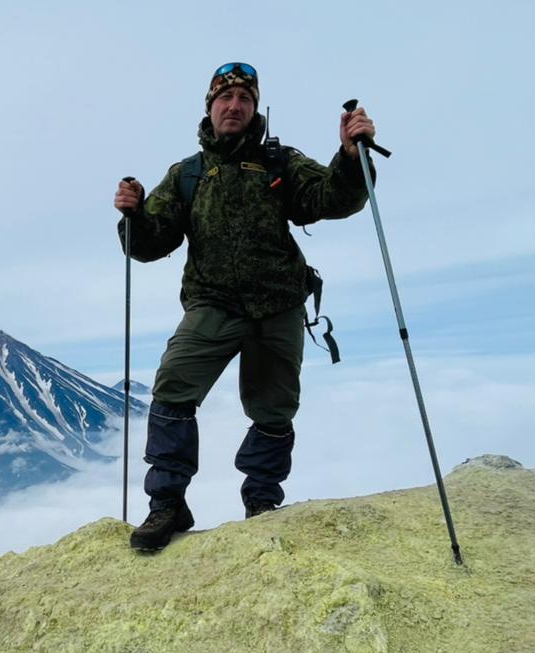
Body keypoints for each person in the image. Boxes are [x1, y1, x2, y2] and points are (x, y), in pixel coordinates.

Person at [114, 61, 377, 551]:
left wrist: (349, 155)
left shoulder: (279, 162)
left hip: (277, 305)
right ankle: (167, 504)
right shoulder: (188, 175)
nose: (234, 107)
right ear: (209, 108)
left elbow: (332, 199)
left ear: (256, 108)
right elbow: (148, 246)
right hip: (213, 304)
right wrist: (133, 215)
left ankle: (261, 499)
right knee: (173, 389)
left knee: (273, 410)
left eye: (245, 100)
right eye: (225, 99)